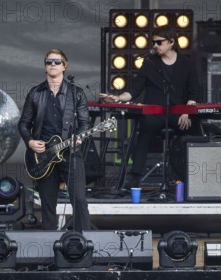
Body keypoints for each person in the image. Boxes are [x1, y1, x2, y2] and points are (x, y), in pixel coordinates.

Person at [100, 25, 201, 189]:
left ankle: (192, 178)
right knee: (144, 132)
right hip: (155, 113)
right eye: (153, 42)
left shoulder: (187, 64)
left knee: (194, 131)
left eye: (159, 42)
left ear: (171, 42)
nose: (155, 46)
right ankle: (134, 179)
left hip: (179, 113)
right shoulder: (149, 63)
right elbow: (135, 90)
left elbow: (194, 92)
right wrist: (118, 98)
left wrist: (187, 112)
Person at [18, 49, 91, 232]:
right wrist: (30, 142)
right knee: (47, 204)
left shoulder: (76, 93)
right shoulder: (35, 93)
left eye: (57, 62)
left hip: (70, 154)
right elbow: (23, 124)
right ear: (45, 66)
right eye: (49, 61)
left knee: (80, 200)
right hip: (44, 156)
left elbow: (84, 123)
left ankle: (85, 242)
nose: (52, 64)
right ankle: (50, 246)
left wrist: (79, 137)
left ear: (64, 66)